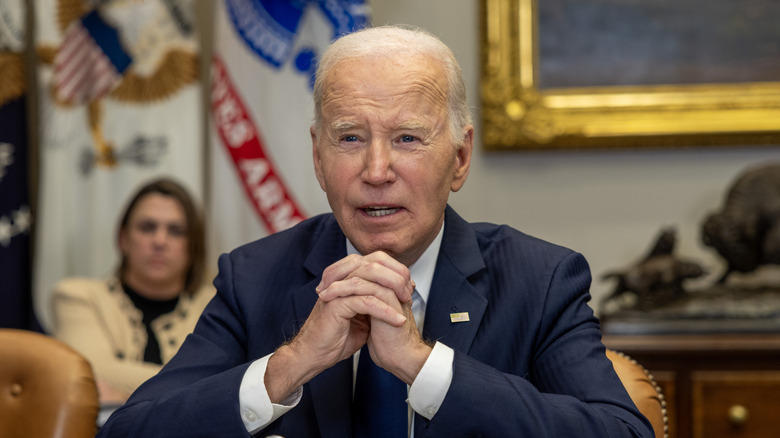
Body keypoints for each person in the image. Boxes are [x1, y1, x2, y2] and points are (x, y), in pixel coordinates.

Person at [98, 26, 653, 437]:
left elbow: (622, 432)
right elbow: (127, 432)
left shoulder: (538, 279)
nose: (377, 170)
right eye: (350, 138)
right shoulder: (256, 276)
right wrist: (291, 365)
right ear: (317, 159)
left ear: (459, 159)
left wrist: (423, 366)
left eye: (408, 138)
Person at [50, 178, 215, 405]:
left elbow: (232, 382)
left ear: (193, 244)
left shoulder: (218, 306)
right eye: (147, 227)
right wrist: (196, 387)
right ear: (123, 238)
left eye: (176, 231)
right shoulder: (78, 297)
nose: (159, 241)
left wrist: (126, 398)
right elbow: (92, 371)